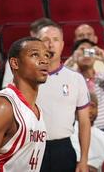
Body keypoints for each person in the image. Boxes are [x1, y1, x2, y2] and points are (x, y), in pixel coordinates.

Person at [0, 37, 50, 172]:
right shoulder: (1, 105)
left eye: (46, 55)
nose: (44, 60)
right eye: (35, 54)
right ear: (15, 63)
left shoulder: (37, 110)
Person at [36, 23, 91, 172]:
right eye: (45, 39)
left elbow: (84, 122)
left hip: (63, 149)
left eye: (55, 39)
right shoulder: (25, 79)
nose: (50, 44)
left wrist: (84, 160)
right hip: (32, 148)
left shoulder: (75, 79)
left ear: (62, 45)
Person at [70, 39, 104, 130]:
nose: (86, 54)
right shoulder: (71, 79)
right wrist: (71, 61)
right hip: (80, 129)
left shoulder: (102, 77)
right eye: (82, 50)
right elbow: (60, 89)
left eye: (89, 51)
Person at [69, 92, 104, 171]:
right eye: (85, 107)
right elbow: (76, 163)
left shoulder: (103, 135)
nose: (89, 110)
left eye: (92, 106)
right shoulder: (72, 131)